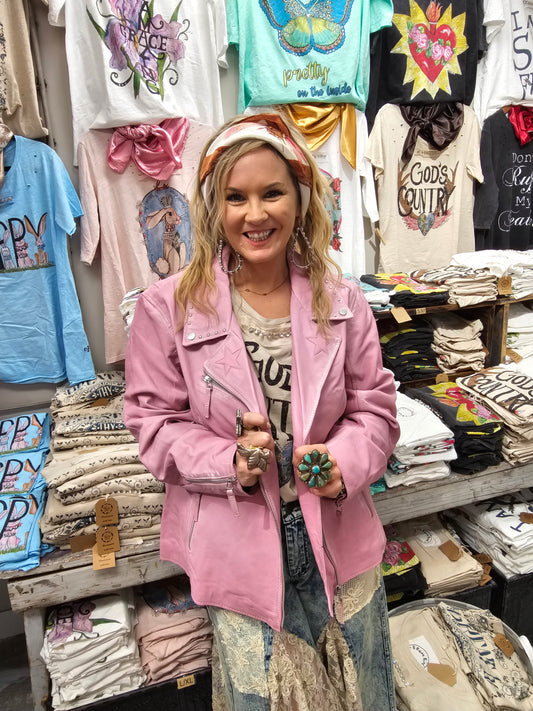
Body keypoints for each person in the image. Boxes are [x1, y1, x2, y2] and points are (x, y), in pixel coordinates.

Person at [123, 113, 400, 710]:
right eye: (236, 197)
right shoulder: (167, 308)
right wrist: (229, 461)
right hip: (235, 542)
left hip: (338, 533)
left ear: (299, 199)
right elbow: (153, 422)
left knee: (363, 687)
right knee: (268, 697)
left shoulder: (342, 299)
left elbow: (375, 408)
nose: (255, 214)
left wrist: (343, 461)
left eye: (272, 193)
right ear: (213, 206)